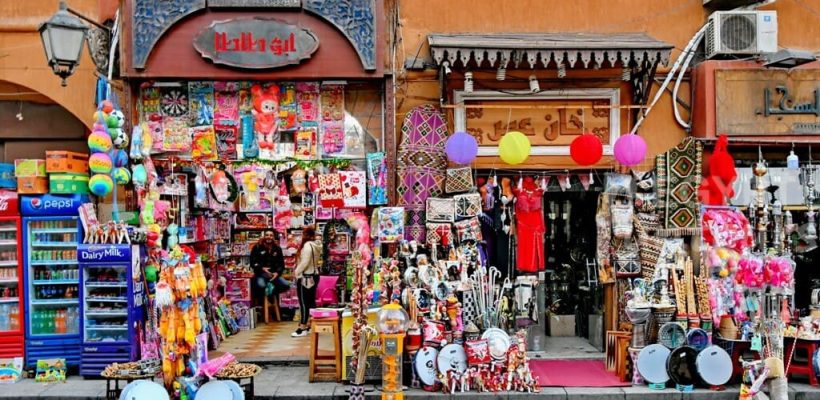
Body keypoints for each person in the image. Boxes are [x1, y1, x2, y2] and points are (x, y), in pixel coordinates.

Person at [292, 226, 322, 337]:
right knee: (311, 302)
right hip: (314, 275)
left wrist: (296, 271)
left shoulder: (307, 246)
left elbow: (305, 262)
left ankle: (302, 327)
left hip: (305, 277)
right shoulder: (316, 246)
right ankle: (311, 325)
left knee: (304, 303)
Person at [250, 231, 289, 306]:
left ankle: (270, 293)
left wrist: (277, 273)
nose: (269, 237)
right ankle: (262, 302)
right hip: (261, 274)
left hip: (274, 275)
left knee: (286, 285)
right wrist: (262, 268)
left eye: (271, 235)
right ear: (264, 236)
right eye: (267, 235)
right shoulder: (257, 247)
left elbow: (281, 264)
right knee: (260, 285)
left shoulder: (277, 248)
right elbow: (252, 262)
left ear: (273, 237)